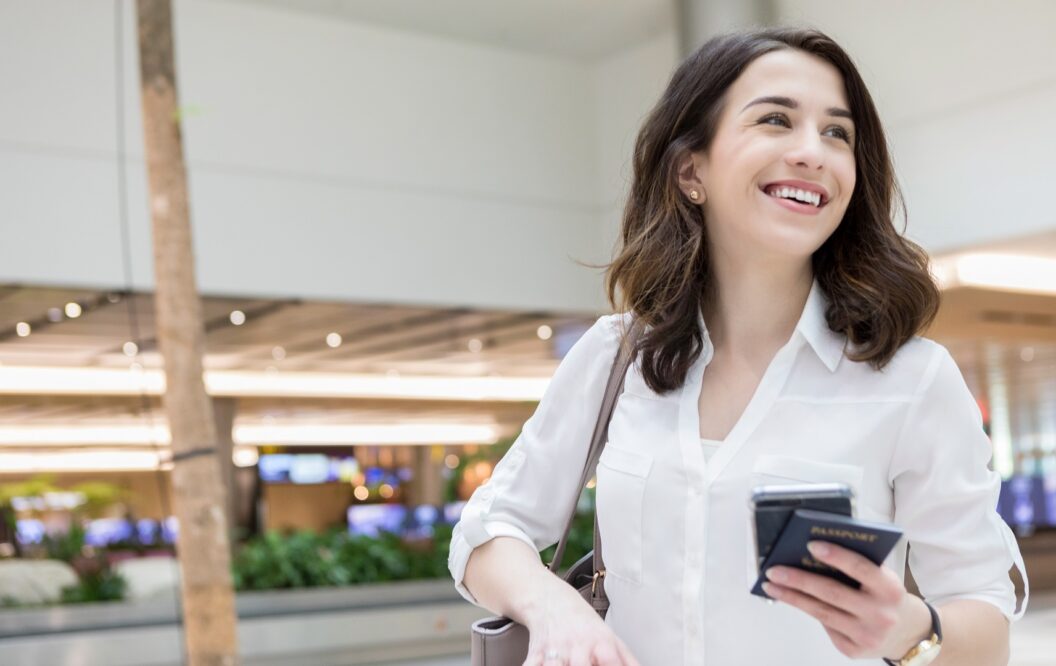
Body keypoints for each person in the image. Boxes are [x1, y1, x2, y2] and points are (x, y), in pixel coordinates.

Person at [448, 26, 1028, 666]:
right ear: (691, 170)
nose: (814, 151)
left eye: (838, 133)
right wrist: (550, 605)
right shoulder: (618, 356)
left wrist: (911, 630)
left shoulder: (910, 379)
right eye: (777, 120)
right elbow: (485, 534)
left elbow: (986, 624)